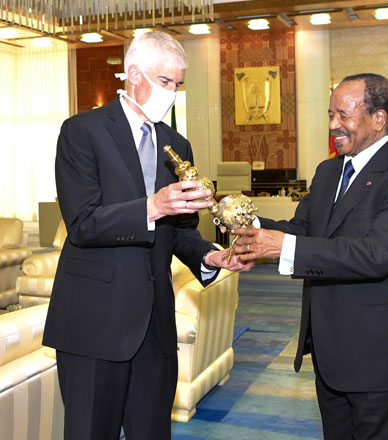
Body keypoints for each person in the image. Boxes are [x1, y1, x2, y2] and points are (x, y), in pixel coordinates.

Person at [42, 31, 251, 440]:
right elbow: (83, 223)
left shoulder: (178, 144)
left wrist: (208, 257)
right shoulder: (81, 132)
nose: (172, 93)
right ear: (133, 74)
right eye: (165, 82)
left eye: (178, 85)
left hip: (155, 327)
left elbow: (180, 232)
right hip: (94, 324)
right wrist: (153, 206)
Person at [232, 73, 388, 439]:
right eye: (331, 114)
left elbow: (378, 254)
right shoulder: (329, 171)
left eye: (343, 115)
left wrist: (283, 247)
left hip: (386, 358)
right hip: (331, 354)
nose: (333, 125)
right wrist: (244, 222)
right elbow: (303, 229)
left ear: (379, 118)